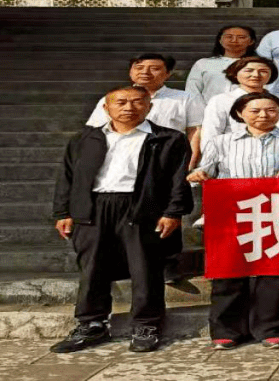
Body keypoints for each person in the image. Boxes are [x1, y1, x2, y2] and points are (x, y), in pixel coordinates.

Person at [51, 84, 192, 354]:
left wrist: (173, 212)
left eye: (138, 102)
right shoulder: (84, 139)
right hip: (93, 207)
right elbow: (68, 177)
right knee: (92, 269)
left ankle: (146, 325)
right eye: (121, 102)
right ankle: (91, 324)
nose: (129, 107)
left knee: (145, 267)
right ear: (106, 108)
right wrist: (63, 212)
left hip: (142, 206)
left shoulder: (167, 138)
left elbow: (178, 179)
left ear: (149, 106)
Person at [188, 92, 279, 350]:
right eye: (255, 110)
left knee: (275, 273)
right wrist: (199, 174)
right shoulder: (221, 142)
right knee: (228, 272)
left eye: (271, 110)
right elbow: (205, 171)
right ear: (240, 113)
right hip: (232, 214)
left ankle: (272, 328)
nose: (263, 115)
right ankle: (227, 330)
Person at [87, 54, 203, 164]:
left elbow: (195, 132)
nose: (145, 72)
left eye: (154, 68)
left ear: (168, 73)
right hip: (120, 160)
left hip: (167, 160)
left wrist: (189, 165)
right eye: (139, 68)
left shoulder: (186, 98)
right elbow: (96, 131)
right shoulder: (111, 98)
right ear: (131, 72)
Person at [201, 56, 279, 138]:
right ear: (235, 74)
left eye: (263, 71)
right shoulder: (221, 100)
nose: (256, 75)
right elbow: (211, 132)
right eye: (249, 70)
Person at [185, 25, 258, 107]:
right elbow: (193, 91)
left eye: (241, 37)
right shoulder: (203, 63)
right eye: (229, 36)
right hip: (209, 111)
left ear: (251, 41)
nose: (234, 40)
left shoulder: (259, 65)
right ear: (220, 40)